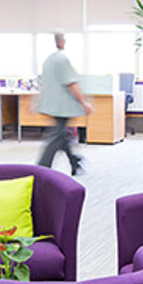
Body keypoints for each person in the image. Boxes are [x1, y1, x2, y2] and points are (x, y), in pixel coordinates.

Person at [36, 32, 93, 176]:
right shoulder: (62, 59)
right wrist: (84, 102)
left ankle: (74, 162)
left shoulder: (49, 60)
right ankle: (42, 169)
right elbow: (71, 83)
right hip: (62, 106)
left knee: (60, 134)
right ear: (61, 42)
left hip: (52, 104)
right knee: (56, 136)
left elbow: (44, 83)